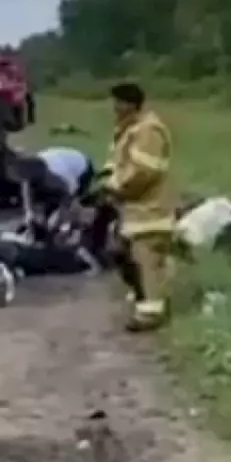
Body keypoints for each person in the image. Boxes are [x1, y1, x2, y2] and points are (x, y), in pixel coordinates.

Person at [101, 82, 176, 332]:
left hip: (150, 209)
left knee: (147, 259)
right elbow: (120, 162)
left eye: (118, 103)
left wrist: (116, 187)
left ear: (130, 104)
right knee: (125, 256)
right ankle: (147, 298)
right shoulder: (129, 129)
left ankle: (151, 312)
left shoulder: (148, 131)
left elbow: (144, 171)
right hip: (134, 210)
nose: (114, 108)